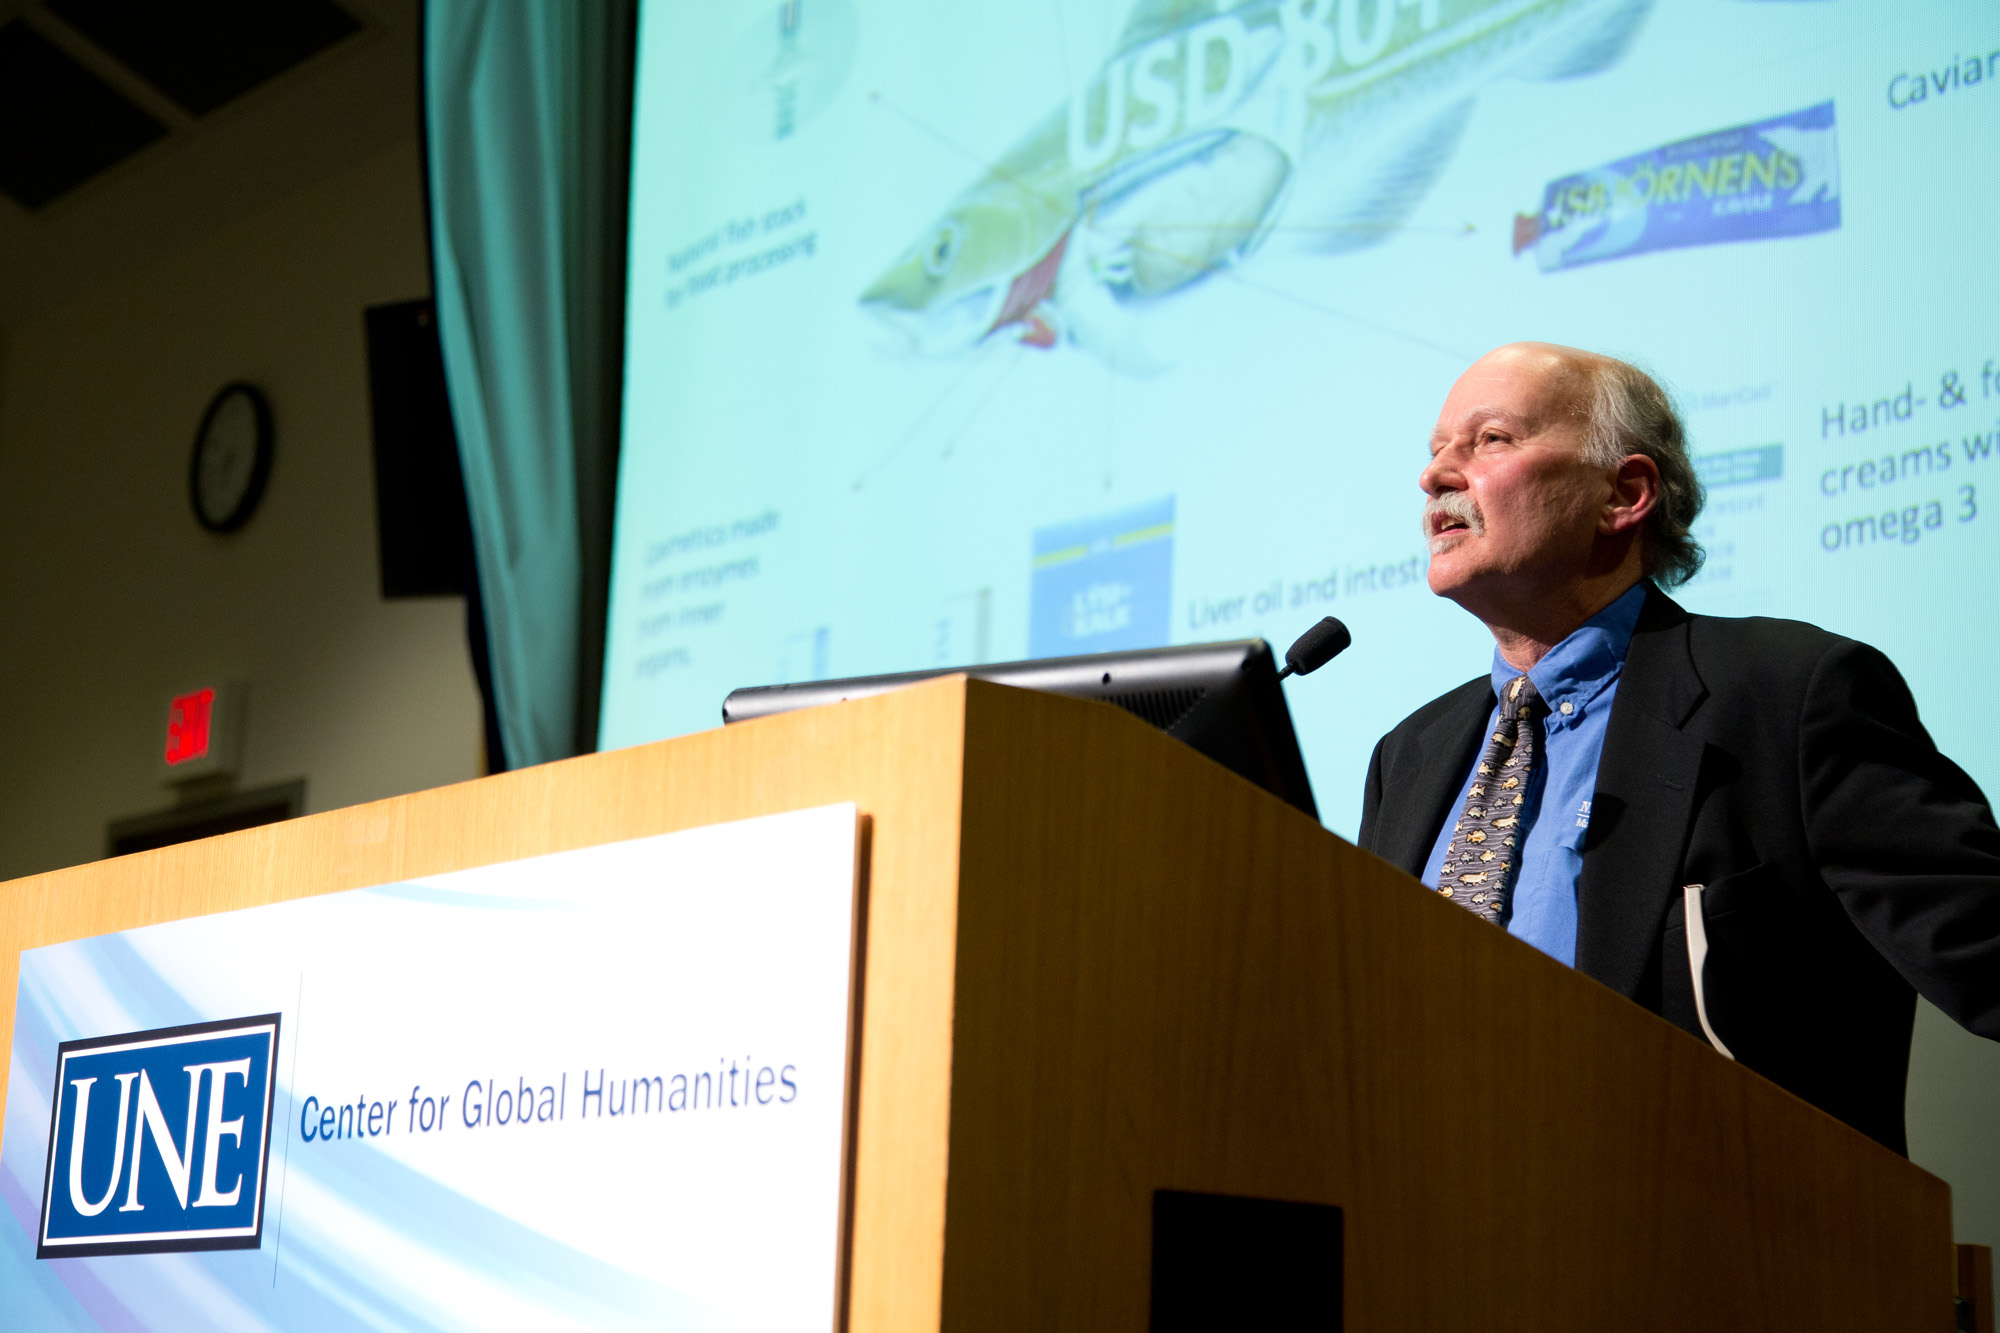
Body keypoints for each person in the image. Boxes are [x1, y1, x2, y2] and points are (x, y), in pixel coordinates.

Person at [1356, 341, 2000, 1152]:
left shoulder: (1789, 697)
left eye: (1490, 440)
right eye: (1436, 450)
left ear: (1624, 494)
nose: (1436, 475)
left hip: (1723, 1240)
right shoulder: (1407, 755)